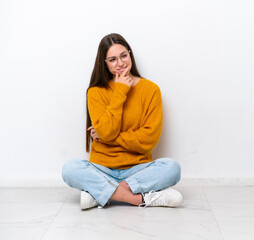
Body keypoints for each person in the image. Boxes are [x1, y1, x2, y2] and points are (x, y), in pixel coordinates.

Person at [62, 33, 183, 210]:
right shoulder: (95, 92)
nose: (120, 63)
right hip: (102, 169)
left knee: (172, 167)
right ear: (104, 63)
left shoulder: (151, 90)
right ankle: (139, 199)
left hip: (138, 169)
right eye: (112, 59)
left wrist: (105, 138)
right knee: (70, 168)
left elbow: (148, 139)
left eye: (123, 56)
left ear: (130, 54)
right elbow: (107, 130)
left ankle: (99, 194)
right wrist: (120, 91)